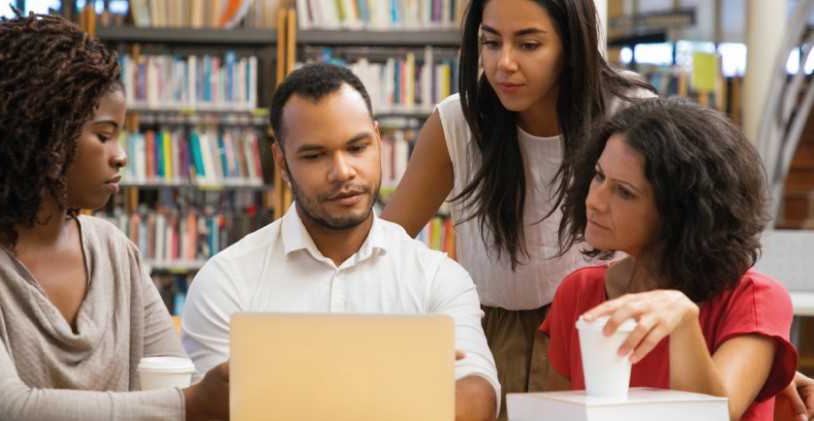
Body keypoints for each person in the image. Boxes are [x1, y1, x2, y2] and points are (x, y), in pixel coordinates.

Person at [0, 12, 226, 420]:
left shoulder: (113, 250)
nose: (121, 155)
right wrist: (189, 404)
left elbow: (175, 379)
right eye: (104, 135)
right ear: (43, 134)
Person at [379, 0, 655, 416]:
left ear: (572, 44)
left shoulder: (631, 114)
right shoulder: (458, 122)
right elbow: (385, 249)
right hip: (491, 341)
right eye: (490, 42)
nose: (503, 63)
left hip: (606, 336)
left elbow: (682, 233)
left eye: (528, 44)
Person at [180, 63, 500, 420]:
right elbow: (213, 410)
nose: (343, 171)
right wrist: (400, 391)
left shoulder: (438, 277)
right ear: (282, 163)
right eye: (315, 155)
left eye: (357, 147)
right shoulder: (226, 281)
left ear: (379, 142)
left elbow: (478, 397)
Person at [540, 97, 798, 421]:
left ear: (681, 213)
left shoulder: (755, 299)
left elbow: (712, 416)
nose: (594, 200)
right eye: (598, 176)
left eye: (624, 192)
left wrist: (683, 320)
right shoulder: (578, 293)